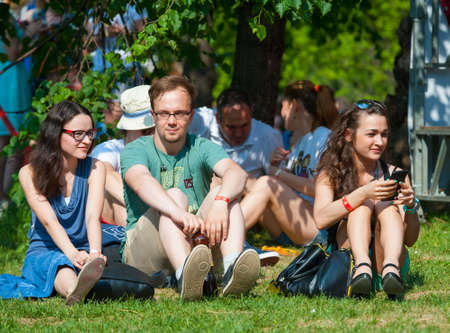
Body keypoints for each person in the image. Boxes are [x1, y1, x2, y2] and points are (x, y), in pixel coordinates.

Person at [120, 75, 260, 300]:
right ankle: (186, 274)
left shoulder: (201, 146)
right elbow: (141, 181)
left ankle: (233, 269)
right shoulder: (135, 149)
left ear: (191, 115)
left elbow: (237, 174)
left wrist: (221, 202)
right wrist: (179, 213)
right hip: (144, 253)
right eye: (164, 113)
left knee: (224, 194)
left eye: (180, 113)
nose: (172, 121)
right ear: (153, 116)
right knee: (174, 196)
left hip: (196, 242)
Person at [0, 100, 106, 305]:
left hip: (83, 247)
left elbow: (93, 216)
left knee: (101, 256)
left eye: (90, 133)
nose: (86, 140)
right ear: (57, 134)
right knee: (60, 264)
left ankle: (86, 277)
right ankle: (75, 290)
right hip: (46, 249)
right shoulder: (29, 173)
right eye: (78, 134)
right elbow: (50, 221)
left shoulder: (96, 168)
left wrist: (94, 253)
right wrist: (73, 253)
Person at [314, 100, 420, 298]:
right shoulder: (330, 174)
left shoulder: (395, 174)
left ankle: (390, 270)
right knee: (361, 207)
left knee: (387, 207)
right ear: (348, 135)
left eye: (384, 134)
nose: (379, 142)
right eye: (371, 134)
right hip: (348, 261)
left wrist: (411, 207)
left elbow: (411, 240)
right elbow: (320, 219)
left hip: (388, 260)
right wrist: (362, 194)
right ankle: (362, 267)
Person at [189, 88, 282, 266]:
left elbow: (278, 192)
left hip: (248, 209)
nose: (239, 133)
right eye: (231, 127)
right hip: (206, 201)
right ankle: (239, 247)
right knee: (216, 179)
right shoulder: (199, 121)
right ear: (217, 118)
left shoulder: (268, 136)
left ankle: (232, 244)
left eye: (244, 125)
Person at [240, 80, 338, 247]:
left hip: (317, 230)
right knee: (240, 179)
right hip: (292, 226)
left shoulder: (323, 138)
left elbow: (319, 190)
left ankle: (223, 238)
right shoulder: (301, 142)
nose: (282, 113)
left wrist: (277, 174)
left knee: (266, 184)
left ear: (294, 105)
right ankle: (219, 233)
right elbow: (289, 188)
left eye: (283, 106)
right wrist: (277, 167)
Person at [91, 84, 155, 226]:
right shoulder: (109, 149)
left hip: (157, 219)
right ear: (128, 128)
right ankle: (131, 246)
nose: (152, 135)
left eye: (155, 129)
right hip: (111, 221)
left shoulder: (166, 151)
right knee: (120, 197)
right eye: (145, 131)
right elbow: (104, 174)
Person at [0, 0, 32, 205]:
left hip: (7, 81)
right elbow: (13, 53)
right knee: (11, 145)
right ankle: (4, 200)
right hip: (9, 85)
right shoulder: (6, 18)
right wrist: (29, 33)